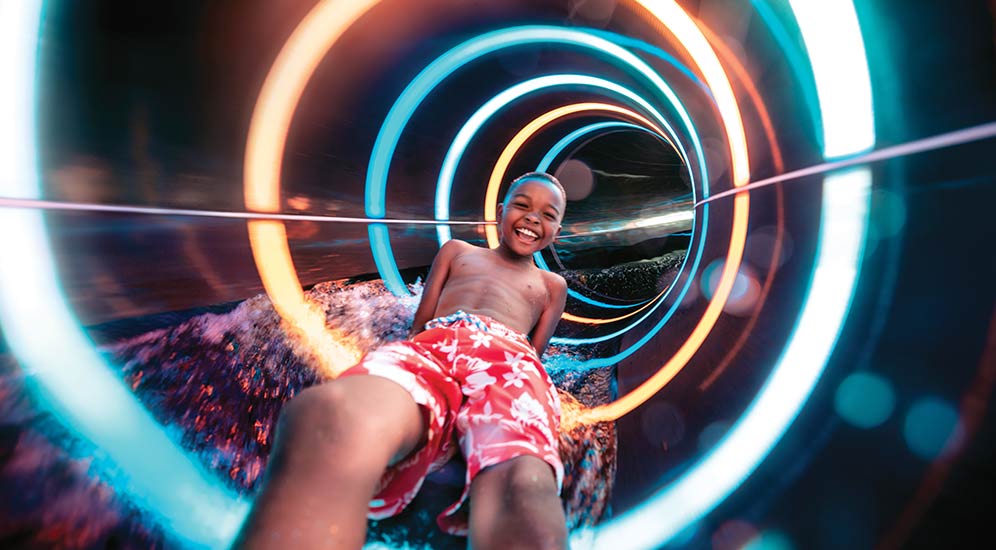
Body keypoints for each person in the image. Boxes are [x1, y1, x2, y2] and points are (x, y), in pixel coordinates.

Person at [234, 172, 569, 550]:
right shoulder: (458, 252)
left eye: (548, 214)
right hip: (436, 345)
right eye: (522, 205)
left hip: (507, 360)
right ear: (500, 210)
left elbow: (533, 356)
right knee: (326, 415)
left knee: (523, 485)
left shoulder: (551, 286)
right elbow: (421, 324)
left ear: (557, 228)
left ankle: (488, 459)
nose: (532, 219)